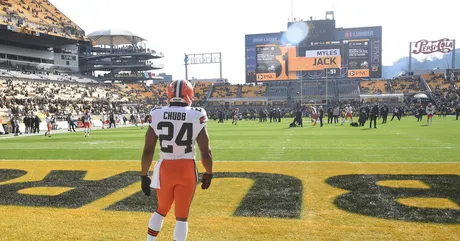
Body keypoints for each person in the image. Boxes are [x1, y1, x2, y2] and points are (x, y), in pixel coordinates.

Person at [140, 80, 213, 241]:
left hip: (165, 168)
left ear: (170, 94)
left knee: (161, 209)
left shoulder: (157, 113)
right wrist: (209, 172)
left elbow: (148, 150)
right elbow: (206, 152)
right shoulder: (197, 113)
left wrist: (143, 175)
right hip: (186, 168)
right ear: (189, 95)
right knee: (181, 216)